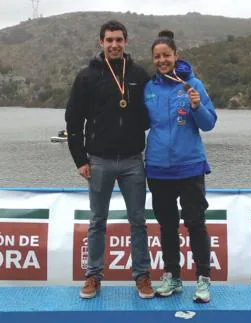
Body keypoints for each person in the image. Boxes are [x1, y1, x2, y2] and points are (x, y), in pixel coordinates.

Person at [65, 20, 153, 299]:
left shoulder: (139, 74)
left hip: (132, 160)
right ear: (100, 43)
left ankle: (142, 276)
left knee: (138, 220)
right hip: (99, 160)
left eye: (119, 39)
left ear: (126, 42)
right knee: (97, 220)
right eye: (109, 40)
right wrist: (80, 159)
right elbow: (73, 120)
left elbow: (152, 114)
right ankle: (93, 276)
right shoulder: (87, 77)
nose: (114, 44)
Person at [144, 30, 217, 303]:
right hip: (158, 169)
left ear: (176, 56)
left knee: (195, 223)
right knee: (167, 226)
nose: (162, 60)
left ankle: (203, 279)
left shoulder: (193, 84)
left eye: (167, 55)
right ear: (154, 60)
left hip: (190, 167)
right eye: (157, 57)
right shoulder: (149, 88)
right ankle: (172, 277)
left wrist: (197, 106)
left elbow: (209, 123)